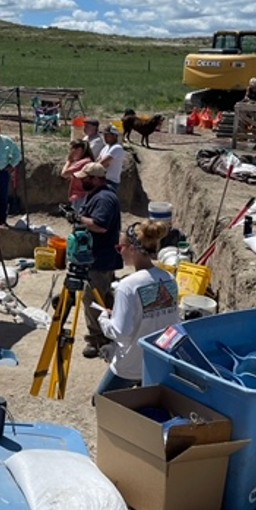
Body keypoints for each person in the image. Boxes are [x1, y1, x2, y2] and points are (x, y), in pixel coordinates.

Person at [95, 221, 180, 395]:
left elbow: (121, 333)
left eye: (121, 247)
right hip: (157, 364)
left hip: (130, 365)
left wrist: (103, 319)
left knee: (100, 402)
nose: (120, 252)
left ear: (132, 248)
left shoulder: (128, 285)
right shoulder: (169, 279)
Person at [72, 162, 122, 359]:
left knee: (93, 299)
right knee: (105, 297)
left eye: (85, 178)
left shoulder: (104, 199)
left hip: (100, 259)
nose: (82, 181)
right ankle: (109, 332)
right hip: (98, 257)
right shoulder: (98, 195)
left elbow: (101, 226)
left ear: (95, 179)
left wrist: (78, 219)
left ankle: (97, 339)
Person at [60, 139, 94, 212]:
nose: (71, 153)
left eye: (72, 150)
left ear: (79, 150)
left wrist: (69, 161)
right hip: (81, 196)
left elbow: (64, 174)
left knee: (78, 219)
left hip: (80, 196)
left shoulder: (82, 162)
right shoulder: (87, 160)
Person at [97, 125, 125, 192]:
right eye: (104, 135)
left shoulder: (117, 148)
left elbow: (101, 163)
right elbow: (98, 161)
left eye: (107, 135)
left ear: (115, 136)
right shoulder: (106, 147)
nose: (105, 137)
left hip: (111, 182)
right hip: (102, 180)